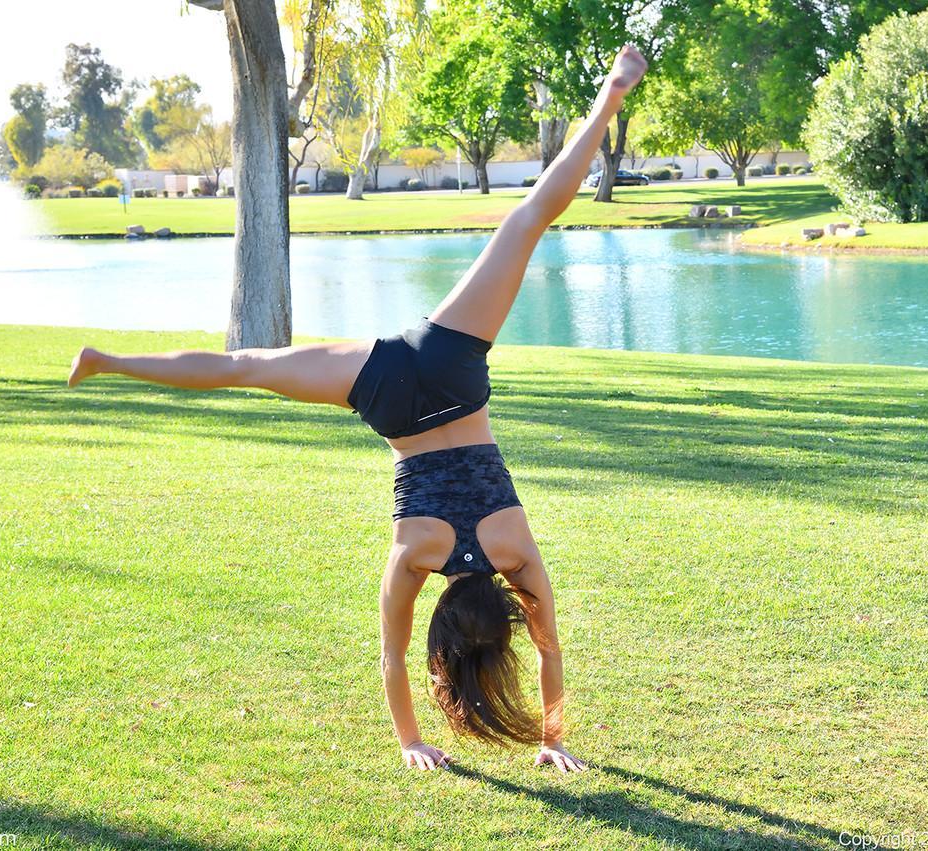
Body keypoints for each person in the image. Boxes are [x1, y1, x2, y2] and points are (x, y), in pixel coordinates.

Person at [67, 46, 649, 773]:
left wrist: (552, 735)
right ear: (445, 631)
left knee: (528, 217)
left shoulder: (517, 560)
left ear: (499, 617)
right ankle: (110, 362)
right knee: (249, 368)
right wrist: (421, 738)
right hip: (393, 399)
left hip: (447, 368)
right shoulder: (414, 561)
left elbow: (550, 648)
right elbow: (391, 656)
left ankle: (608, 99)